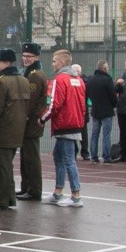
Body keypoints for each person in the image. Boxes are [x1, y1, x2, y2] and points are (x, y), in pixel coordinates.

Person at [0, 48, 30, 210]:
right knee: (8, 163)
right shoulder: (23, 80)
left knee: (4, 166)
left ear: (7, 63)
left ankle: (1, 200)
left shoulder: (1, 82)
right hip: (19, 127)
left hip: (5, 129)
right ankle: (9, 198)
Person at [43, 51, 86, 206]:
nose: (52, 63)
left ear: (62, 63)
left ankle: (76, 195)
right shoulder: (78, 80)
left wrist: (42, 119)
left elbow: (55, 104)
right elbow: (82, 105)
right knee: (59, 157)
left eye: (54, 61)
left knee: (69, 160)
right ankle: (58, 192)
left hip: (64, 124)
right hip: (75, 123)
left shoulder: (60, 79)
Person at [15, 43, 47, 202]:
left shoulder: (34, 75)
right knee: (26, 156)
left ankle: (33, 190)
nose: (26, 59)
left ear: (36, 57)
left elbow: (31, 101)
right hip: (29, 122)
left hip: (31, 122)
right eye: (24, 56)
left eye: (29, 56)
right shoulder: (30, 73)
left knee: (31, 157)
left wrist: (23, 116)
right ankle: (26, 187)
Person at [86, 59, 117, 162]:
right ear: (105, 68)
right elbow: (112, 96)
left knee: (95, 134)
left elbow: (88, 94)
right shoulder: (107, 80)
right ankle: (106, 156)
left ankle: (93, 156)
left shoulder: (91, 80)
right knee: (106, 134)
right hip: (107, 110)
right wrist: (113, 104)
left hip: (95, 109)